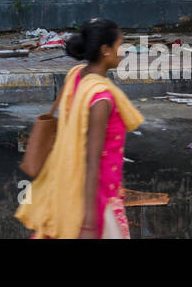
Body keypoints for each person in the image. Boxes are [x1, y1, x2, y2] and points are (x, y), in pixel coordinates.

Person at [15, 17, 143, 238]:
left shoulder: (76, 75)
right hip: (95, 196)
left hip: (64, 184)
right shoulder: (101, 98)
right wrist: (90, 220)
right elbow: (92, 160)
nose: (123, 52)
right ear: (105, 50)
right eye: (120, 46)